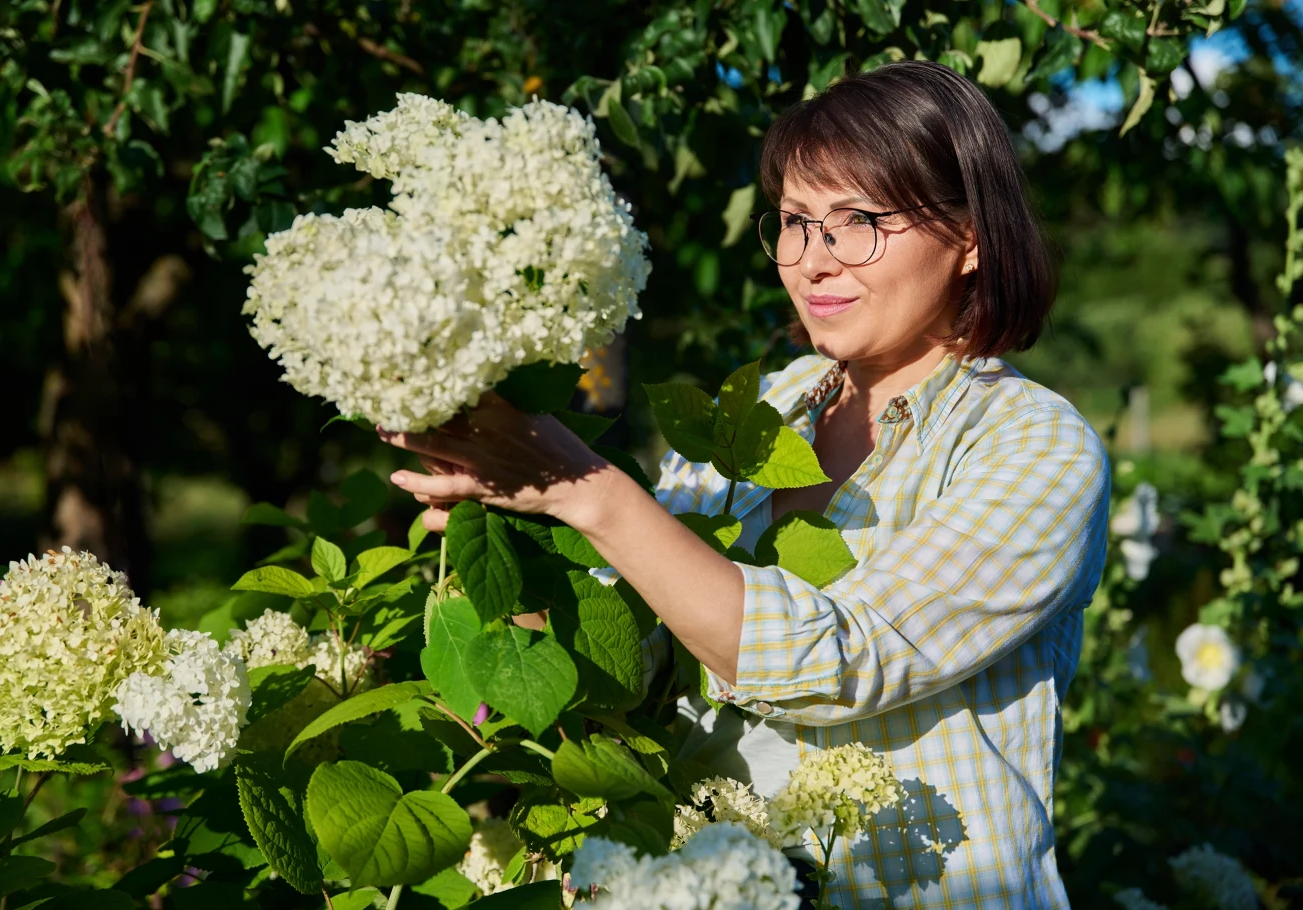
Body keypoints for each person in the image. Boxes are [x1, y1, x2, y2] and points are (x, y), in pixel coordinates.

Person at [380, 59, 1110, 909]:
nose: (813, 261)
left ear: (972, 236)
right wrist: (503, 533)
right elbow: (632, 664)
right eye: (796, 222)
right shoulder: (766, 408)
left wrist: (589, 490)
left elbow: (847, 658)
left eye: (858, 221)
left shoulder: (1033, 444)